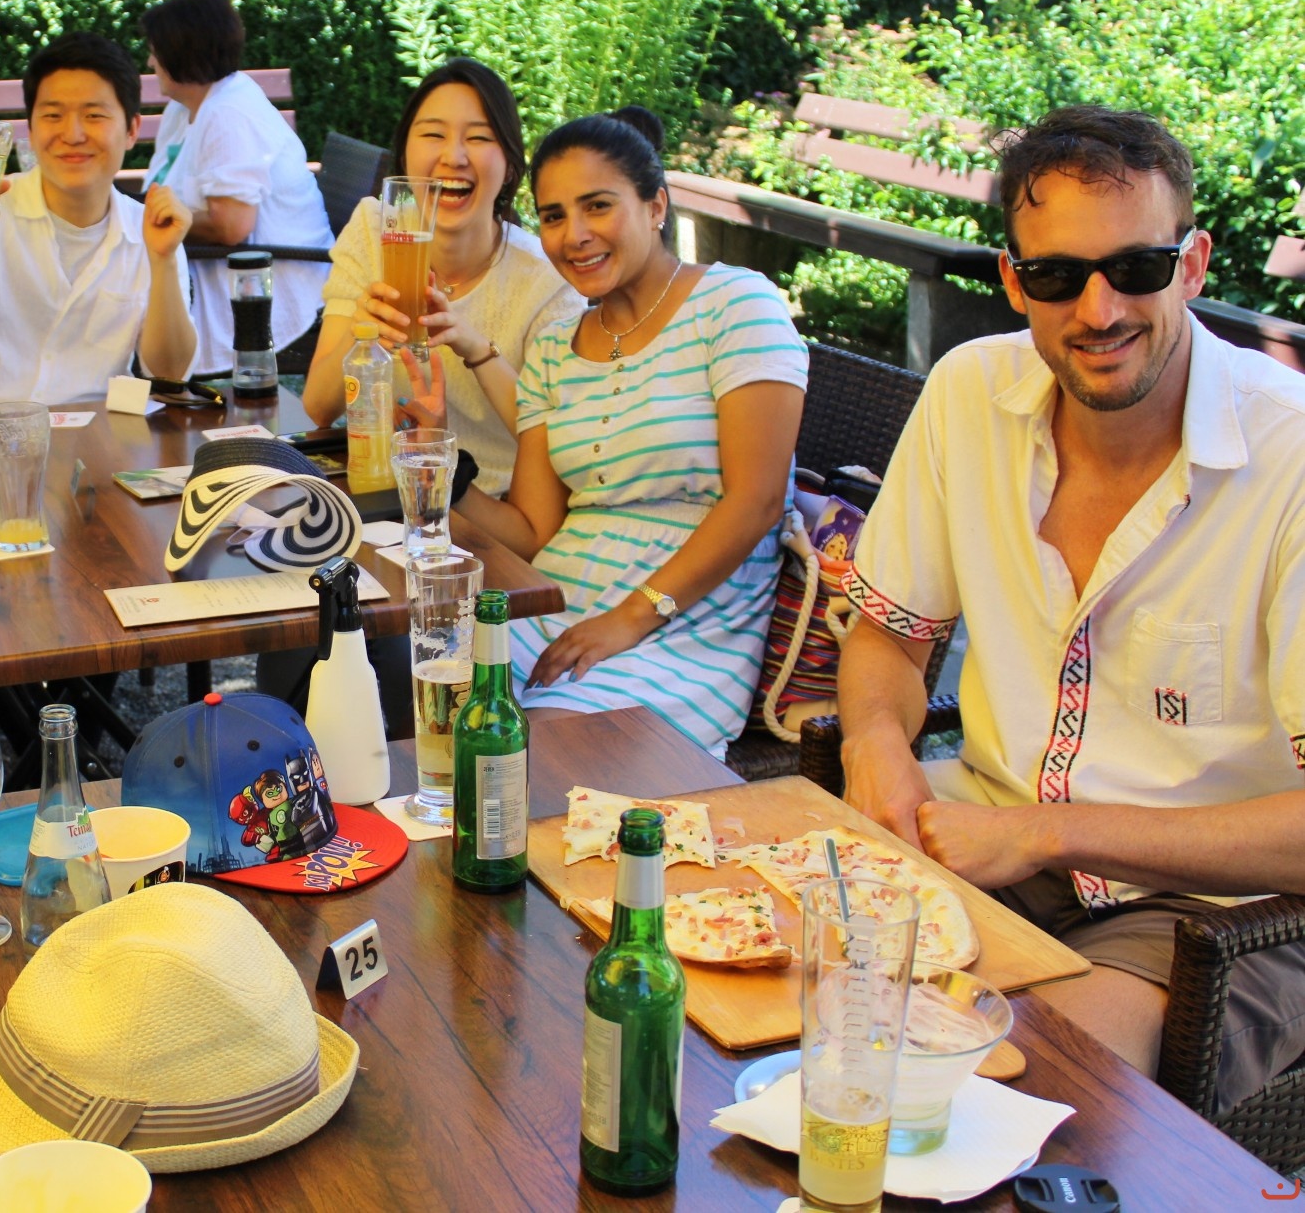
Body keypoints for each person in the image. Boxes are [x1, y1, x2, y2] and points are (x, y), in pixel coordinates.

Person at [835, 105, 1305, 1107]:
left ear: (1191, 265)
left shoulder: (1290, 456)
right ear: (1014, 282)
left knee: (1010, 1094)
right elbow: (888, 636)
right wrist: (873, 742)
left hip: (1213, 910)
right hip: (981, 844)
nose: (1098, 309)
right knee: (778, 1005)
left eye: (1135, 267)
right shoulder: (969, 391)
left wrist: (1048, 833)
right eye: (1056, 276)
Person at [462, 108, 806, 754]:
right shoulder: (555, 348)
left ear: (655, 206)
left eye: (598, 206)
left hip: (685, 623)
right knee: (426, 694)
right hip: (557, 606)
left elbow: (757, 500)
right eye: (554, 216)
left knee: (529, 752)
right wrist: (438, 471)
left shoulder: (736, 304)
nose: (575, 235)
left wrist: (630, 617)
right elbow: (533, 533)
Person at [299, 58, 583, 497]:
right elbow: (319, 407)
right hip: (384, 494)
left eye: (479, 138)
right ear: (405, 155)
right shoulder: (375, 229)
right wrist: (362, 330)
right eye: (433, 135)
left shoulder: (545, 280)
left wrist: (479, 351)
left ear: (510, 165)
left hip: (493, 507)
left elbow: (564, 448)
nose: (454, 156)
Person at [0, 30, 195, 406]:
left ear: (132, 130)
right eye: (53, 115)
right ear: (32, 129)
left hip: (93, 433)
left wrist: (163, 260)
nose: (72, 134)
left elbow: (170, 375)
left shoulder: (150, 230)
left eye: (94, 115)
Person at [140, 0, 331, 375]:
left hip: (274, 284)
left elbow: (231, 226)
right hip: (214, 267)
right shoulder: (186, 108)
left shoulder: (229, 114)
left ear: (180, 52)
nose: (150, 61)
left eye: (155, 51)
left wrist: (154, 222)